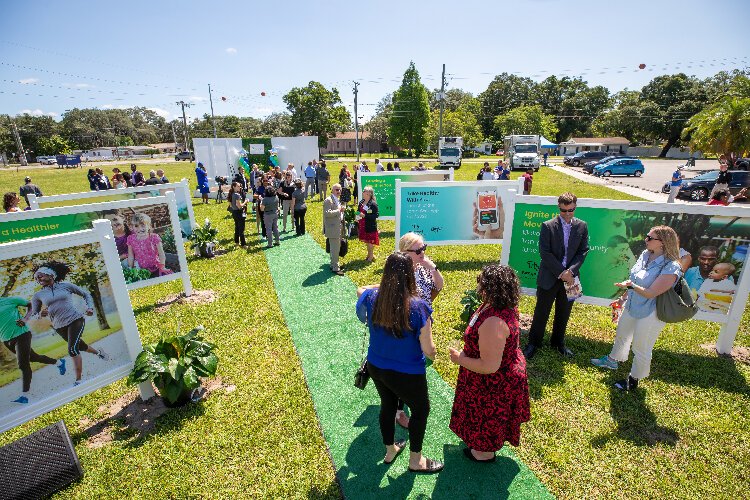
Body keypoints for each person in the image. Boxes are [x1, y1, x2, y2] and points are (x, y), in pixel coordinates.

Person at [355, 253, 443, 473]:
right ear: (410, 276)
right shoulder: (418, 306)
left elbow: (361, 290)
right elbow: (428, 349)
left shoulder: (373, 297)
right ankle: (416, 461)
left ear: (386, 274)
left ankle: (390, 449)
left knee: (388, 405)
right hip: (408, 372)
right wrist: (435, 354)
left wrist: (384, 285)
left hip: (376, 366)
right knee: (421, 409)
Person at [449, 264, 530, 462]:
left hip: (494, 382)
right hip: (497, 373)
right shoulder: (499, 305)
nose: (478, 287)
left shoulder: (494, 322)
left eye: (481, 283)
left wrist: (460, 359)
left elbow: (489, 366)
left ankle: (484, 453)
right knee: (484, 417)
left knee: (487, 417)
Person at [591, 226, 682, 391]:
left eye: (650, 238)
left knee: (641, 347)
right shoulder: (645, 255)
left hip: (652, 312)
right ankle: (612, 360)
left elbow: (651, 293)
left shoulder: (671, 267)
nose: (645, 240)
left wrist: (631, 286)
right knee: (622, 334)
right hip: (633, 304)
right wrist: (624, 297)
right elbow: (635, 278)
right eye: (647, 236)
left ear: (662, 243)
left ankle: (633, 380)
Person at [524, 192, 589, 360]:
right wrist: (562, 272)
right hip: (550, 276)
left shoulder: (582, 226)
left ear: (575, 207)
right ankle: (533, 343)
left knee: (564, 312)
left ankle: (558, 343)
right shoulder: (548, 226)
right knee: (541, 312)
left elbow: (583, 251)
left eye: (571, 210)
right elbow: (544, 252)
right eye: (563, 210)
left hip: (572, 278)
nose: (567, 214)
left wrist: (571, 272)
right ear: (558, 208)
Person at [30, 262, 108, 387]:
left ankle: (78, 380)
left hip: (75, 320)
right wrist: (40, 314)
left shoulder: (66, 286)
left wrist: (90, 308)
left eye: (40, 276)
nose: (38, 279)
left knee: (72, 349)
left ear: (51, 275)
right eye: (36, 278)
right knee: (81, 346)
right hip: (59, 326)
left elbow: (86, 294)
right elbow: (33, 314)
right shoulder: (38, 295)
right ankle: (100, 353)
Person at [1, 295, 66, 404]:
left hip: (21, 334)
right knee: (33, 357)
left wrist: (25, 318)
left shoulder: (9, 300)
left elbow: (31, 305)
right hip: (6, 340)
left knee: (23, 364)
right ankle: (59, 362)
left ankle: (24, 396)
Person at [127, 213, 173, 277]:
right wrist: (130, 268)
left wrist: (162, 266)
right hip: (140, 269)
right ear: (132, 227)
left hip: (156, 267)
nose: (140, 229)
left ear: (148, 226)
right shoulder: (131, 239)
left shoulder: (154, 237)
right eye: (136, 226)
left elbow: (161, 253)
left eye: (143, 225)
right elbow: (131, 256)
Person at [323, 184, 345, 275]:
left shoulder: (336, 199)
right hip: (333, 228)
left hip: (337, 227)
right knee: (335, 248)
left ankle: (333, 264)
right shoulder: (328, 200)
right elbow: (327, 213)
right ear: (332, 190)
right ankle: (335, 268)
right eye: (336, 189)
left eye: (340, 190)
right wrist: (339, 210)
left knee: (335, 248)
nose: (338, 191)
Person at [357, 186, 380, 262]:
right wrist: (356, 217)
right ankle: (369, 255)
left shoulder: (373, 204)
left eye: (364, 191)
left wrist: (365, 216)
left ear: (369, 193)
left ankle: (371, 256)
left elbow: (376, 215)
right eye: (363, 191)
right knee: (366, 241)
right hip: (362, 225)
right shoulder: (361, 202)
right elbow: (358, 211)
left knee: (370, 241)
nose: (363, 192)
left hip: (370, 225)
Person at [229, 181, 248, 247]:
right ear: (234, 187)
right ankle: (243, 244)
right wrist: (245, 202)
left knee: (237, 227)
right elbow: (239, 206)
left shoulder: (232, 194)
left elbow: (231, 205)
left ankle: (237, 242)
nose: (239, 187)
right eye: (238, 186)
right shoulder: (237, 195)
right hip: (239, 212)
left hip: (234, 212)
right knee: (241, 229)